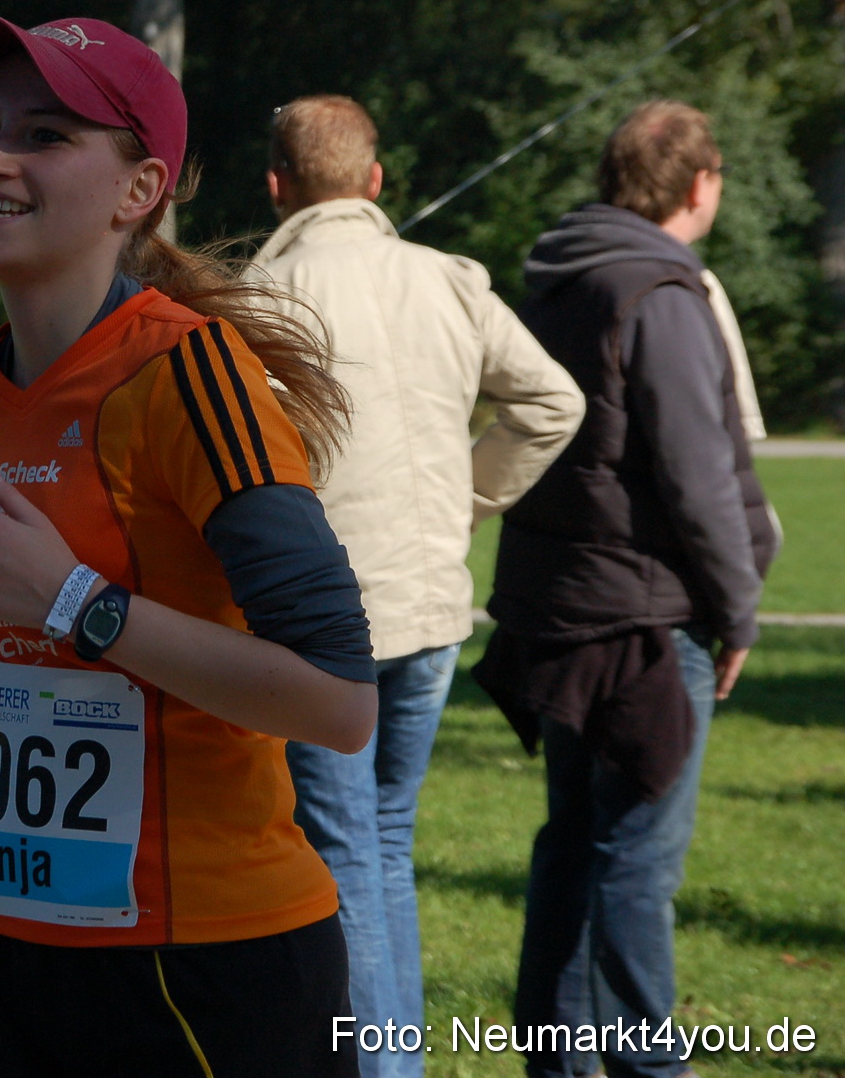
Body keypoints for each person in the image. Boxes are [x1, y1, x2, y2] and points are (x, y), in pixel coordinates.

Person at [0, 13, 379, 1078]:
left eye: (46, 135)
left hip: (197, 966)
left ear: (139, 191)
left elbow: (336, 697)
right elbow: (12, 660)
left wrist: (78, 601)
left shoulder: (193, 379)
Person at [248, 95, 584, 1078]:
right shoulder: (449, 278)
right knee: (382, 844)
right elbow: (553, 400)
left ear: (276, 186)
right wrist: (471, 495)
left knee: (349, 851)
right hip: (433, 606)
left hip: (324, 618)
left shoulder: (265, 291)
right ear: (376, 180)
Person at [474, 100, 778, 1078]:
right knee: (636, 856)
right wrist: (737, 612)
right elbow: (700, 477)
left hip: (562, 605)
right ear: (700, 185)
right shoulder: (660, 291)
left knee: (576, 841)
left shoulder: (560, 275)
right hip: (644, 617)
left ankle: (557, 1060)